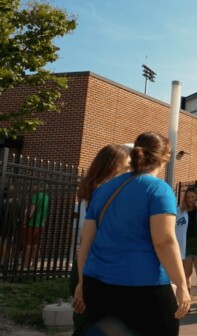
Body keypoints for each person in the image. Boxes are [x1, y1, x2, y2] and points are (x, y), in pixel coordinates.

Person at [72, 132, 190, 336]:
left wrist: (82, 282)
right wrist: (181, 284)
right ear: (165, 157)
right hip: (144, 287)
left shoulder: (103, 189)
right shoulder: (159, 189)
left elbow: (86, 241)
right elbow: (164, 241)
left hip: (98, 284)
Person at [70, 144, 131, 336]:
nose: (131, 170)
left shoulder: (93, 190)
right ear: (114, 166)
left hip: (88, 268)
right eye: (128, 165)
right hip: (95, 270)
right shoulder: (106, 193)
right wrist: (82, 282)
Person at [22, 186, 50, 270]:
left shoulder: (35, 196)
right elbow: (45, 213)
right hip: (41, 224)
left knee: (28, 245)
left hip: (32, 223)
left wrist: (25, 221)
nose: (34, 187)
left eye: (35, 186)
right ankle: (34, 264)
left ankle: (26, 264)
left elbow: (32, 210)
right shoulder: (47, 197)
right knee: (35, 245)